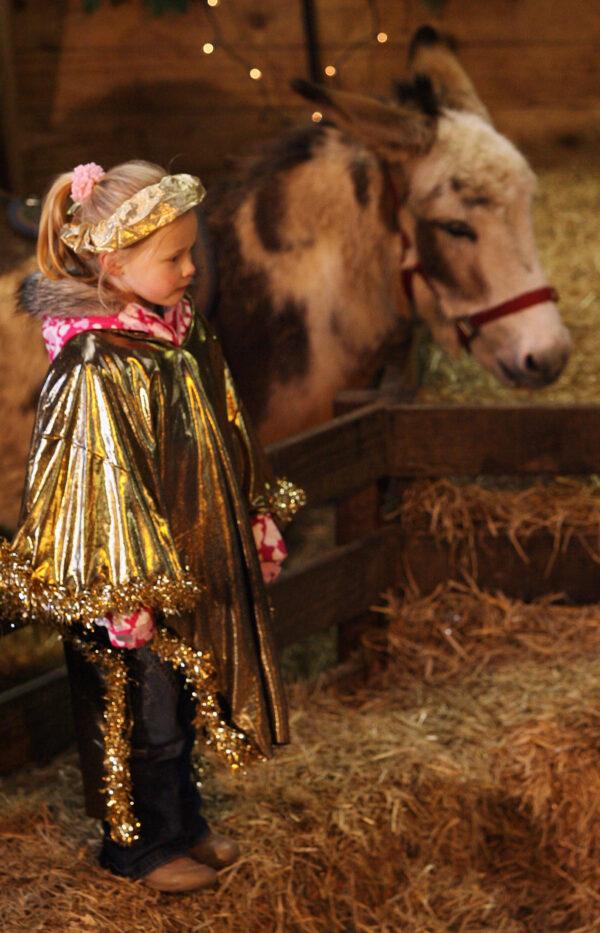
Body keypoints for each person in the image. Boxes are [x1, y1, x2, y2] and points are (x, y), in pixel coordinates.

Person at [0, 161, 305, 892]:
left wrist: (253, 508)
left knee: (179, 698)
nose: (192, 268)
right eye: (174, 258)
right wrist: (117, 587)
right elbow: (89, 480)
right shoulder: (94, 359)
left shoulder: (178, 331)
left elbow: (227, 419)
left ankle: (184, 826)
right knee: (133, 711)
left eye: (191, 251)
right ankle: (134, 846)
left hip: (184, 556)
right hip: (120, 580)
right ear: (115, 263)